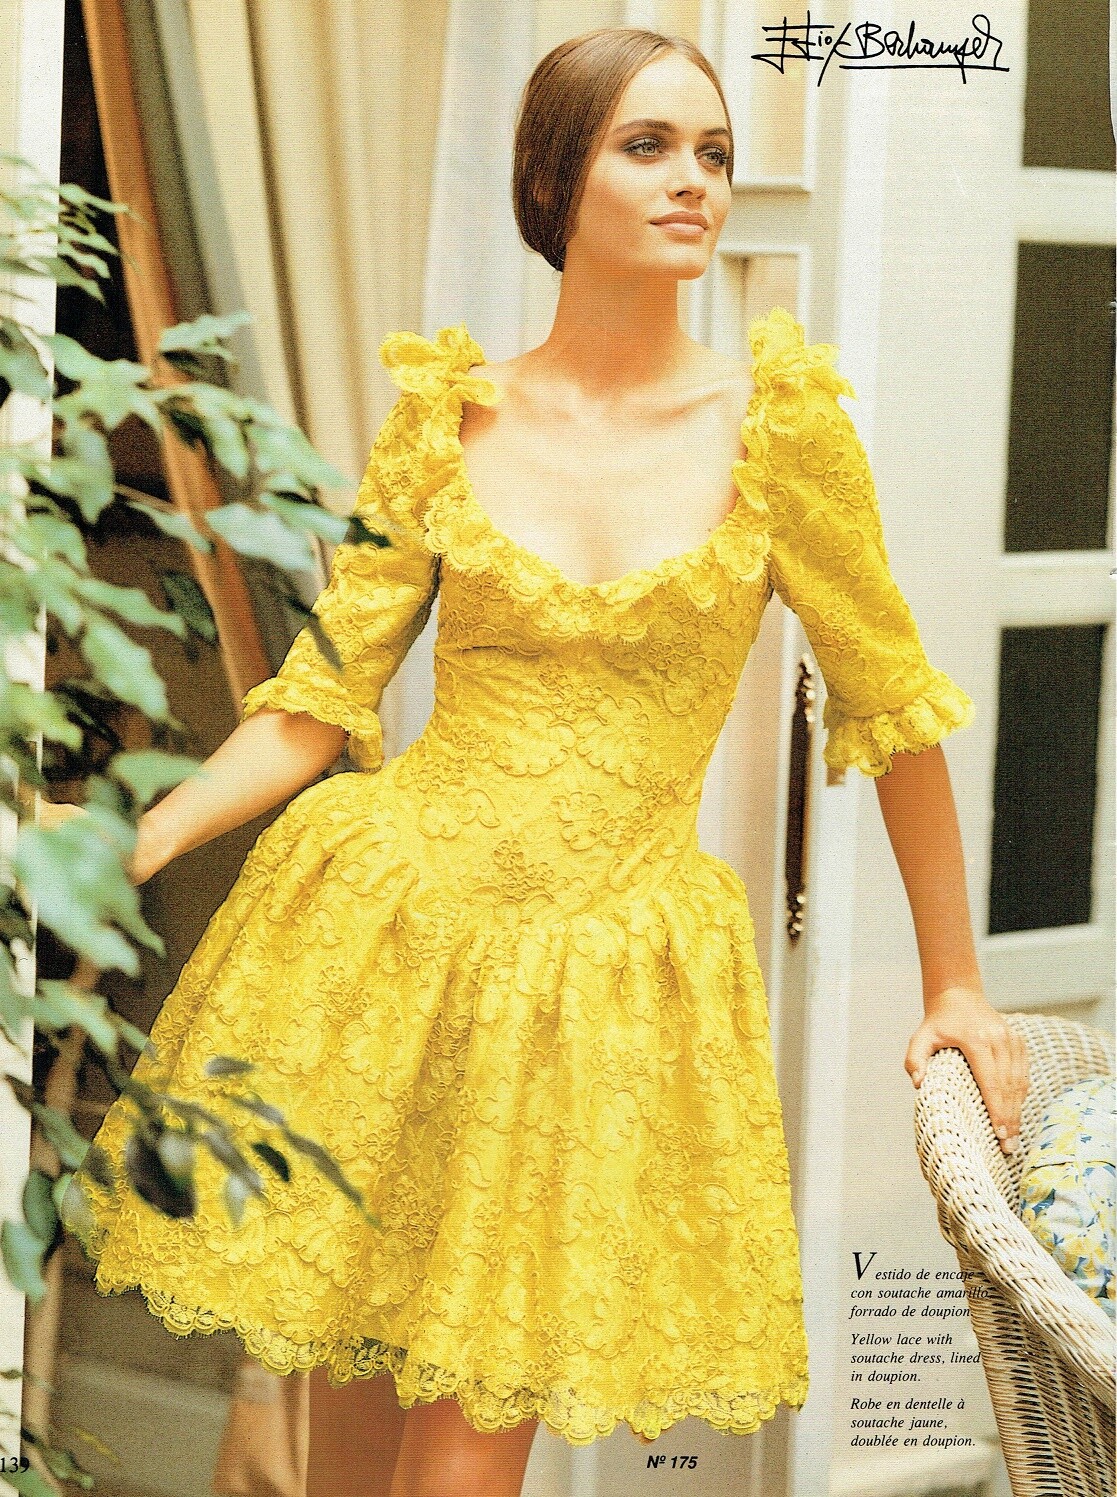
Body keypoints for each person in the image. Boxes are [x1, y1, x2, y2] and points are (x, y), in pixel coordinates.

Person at [58, 27, 1030, 1497]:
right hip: (387, 951)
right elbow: (317, 702)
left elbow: (895, 713)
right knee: (345, 1467)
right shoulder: (447, 416)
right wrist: (133, 839)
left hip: (588, 991)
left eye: (713, 153)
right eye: (649, 147)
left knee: (458, 1475)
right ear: (553, 180)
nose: (695, 181)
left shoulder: (780, 435)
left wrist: (954, 984)